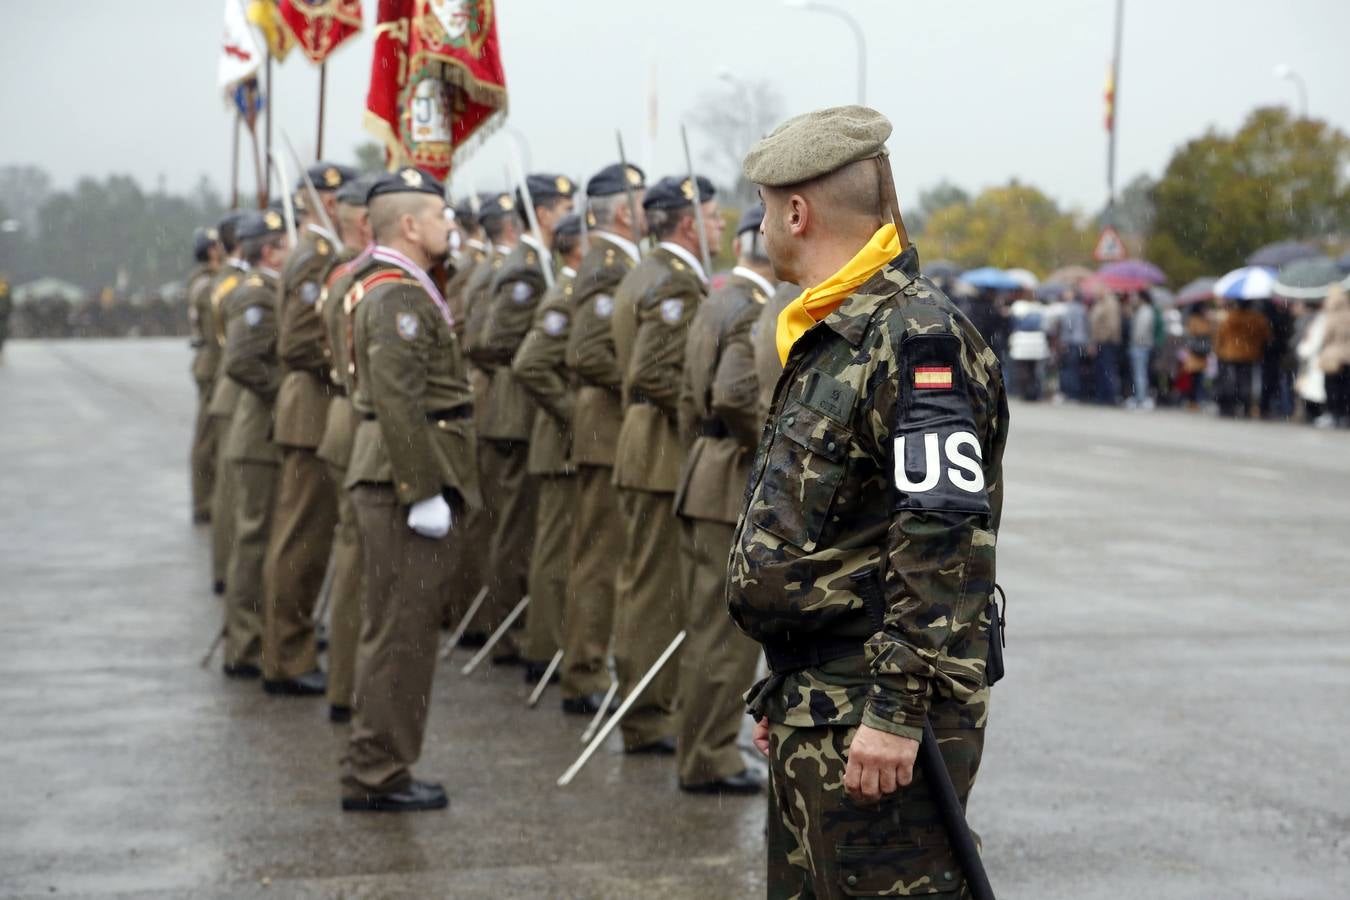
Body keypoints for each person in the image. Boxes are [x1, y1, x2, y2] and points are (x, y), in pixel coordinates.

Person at [732, 106, 1008, 897]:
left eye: (762, 208)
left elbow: (942, 533)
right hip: (817, 702)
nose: (758, 228)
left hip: (879, 718)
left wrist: (892, 713)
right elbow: (829, 531)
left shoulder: (916, 338)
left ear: (797, 211)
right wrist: (781, 684)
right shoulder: (832, 333)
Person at [341, 167, 478, 812]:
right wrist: (420, 490)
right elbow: (396, 399)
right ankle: (377, 773)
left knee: (400, 628)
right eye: (440, 215)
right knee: (401, 632)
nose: (449, 225)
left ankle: (381, 763)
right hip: (405, 477)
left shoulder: (392, 284)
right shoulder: (395, 294)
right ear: (410, 225)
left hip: (403, 468)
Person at [610, 174, 720, 755]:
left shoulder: (652, 271)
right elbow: (654, 373)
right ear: (687, 223)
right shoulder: (673, 282)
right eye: (713, 215)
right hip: (659, 447)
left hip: (646, 443)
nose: (722, 226)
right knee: (655, 592)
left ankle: (650, 706)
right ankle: (648, 716)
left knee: (649, 587)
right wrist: (703, 409)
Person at [672, 205, 772, 794]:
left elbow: (693, 396)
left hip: (706, 473)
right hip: (728, 480)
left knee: (705, 629)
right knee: (724, 636)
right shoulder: (751, 307)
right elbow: (733, 394)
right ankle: (710, 757)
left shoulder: (718, 299)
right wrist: (773, 445)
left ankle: (701, 748)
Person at [262, 163, 359, 696]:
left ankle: (289, 647)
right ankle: (289, 657)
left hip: (314, 406)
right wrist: (346, 361)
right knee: (300, 542)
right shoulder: (317, 256)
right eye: (337, 196)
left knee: (305, 540)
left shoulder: (319, 253)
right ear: (320, 201)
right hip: (312, 406)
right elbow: (298, 342)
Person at [478, 175, 576, 674]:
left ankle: (521, 629)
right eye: (562, 205)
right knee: (515, 532)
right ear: (540, 213)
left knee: (528, 531)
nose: (569, 212)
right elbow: (494, 339)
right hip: (517, 410)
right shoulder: (524, 266)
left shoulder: (538, 261)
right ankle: (512, 636)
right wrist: (540, 358)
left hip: (527, 405)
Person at [559, 162, 646, 715]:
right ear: (620, 212)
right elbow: (586, 352)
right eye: (638, 204)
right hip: (604, 426)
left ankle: (592, 663)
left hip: (611, 427)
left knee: (610, 557)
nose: (645, 214)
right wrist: (641, 382)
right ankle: (584, 672)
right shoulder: (606, 265)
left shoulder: (620, 262)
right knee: (598, 558)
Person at [511, 212, 583, 685]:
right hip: (560, 442)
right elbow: (530, 364)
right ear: (577, 250)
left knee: (565, 549)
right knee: (556, 552)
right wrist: (578, 412)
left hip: (564, 444)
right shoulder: (568, 294)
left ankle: (551, 643)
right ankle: (543, 649)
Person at [315, 174, 377, 722]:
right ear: (365, 222)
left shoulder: (343, 274)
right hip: (358, 421)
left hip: (345, 416)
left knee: (356, 559)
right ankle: (349, 689)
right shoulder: (355, 278)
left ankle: (349, 683)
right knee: (358, 563)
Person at [219, 209, 291, 678]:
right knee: (254, 541)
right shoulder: (257, 295)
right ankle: (244, 647)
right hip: (258, 435)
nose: (292, 253)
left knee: (266, 541)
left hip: (266, 434)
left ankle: (260, 634)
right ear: (268, 251)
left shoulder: (270, 291)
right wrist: (287, 391)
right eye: (285, 245)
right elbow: (242, 361)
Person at [204, 212, 250, 596]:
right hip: (237, 393)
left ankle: (226, 572)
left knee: (229, 492)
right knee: (233, 494)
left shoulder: (229, 280)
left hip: (228, 390)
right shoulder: (236, 284)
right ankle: (229, 575)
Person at [186, 227, 223, 524]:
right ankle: (204, 503)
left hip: (207, 363)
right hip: (212, 365)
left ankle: (206, 500)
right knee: (208, 439)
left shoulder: (205, 280)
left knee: (209, 437)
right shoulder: (208, 285)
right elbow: (216, 336)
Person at [1214, 298, 1272, 417]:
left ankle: (1229, 406)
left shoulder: (1230, 317)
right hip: (1250, 353)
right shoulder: (1258, 319)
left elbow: (1220, 335)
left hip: (1230, 353)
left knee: (1230, 380)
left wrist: (1218, 349)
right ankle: (1245, 406)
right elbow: (1266, 336)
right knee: (1246, 380)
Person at [1317, 285, 1350, 427]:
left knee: (1331, 387)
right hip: (1348, 356)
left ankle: (1333, 414)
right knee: (1346, 387)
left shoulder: (1331, 316)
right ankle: (1345, 415)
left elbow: (1326, 337)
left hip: (1333, 356)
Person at [1056, 290, 1090, 401]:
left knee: (1070, 368)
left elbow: (1068, 326)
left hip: (1072, 342)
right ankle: (1079, 393)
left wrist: (1064, 341)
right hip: (1081, 341)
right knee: (1078, 368)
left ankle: (1071, 393)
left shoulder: (1070, 309)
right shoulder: (1082, 309)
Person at [1089, 291, 1123, 405]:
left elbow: (1112, 325)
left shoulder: (1110, 304)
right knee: (1102, 369)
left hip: (1106, 342)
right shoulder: (1101, 303)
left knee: (1107, 369)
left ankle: (1109, 395)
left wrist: (1104, 338)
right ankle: (1103, 395)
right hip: (1101, 341)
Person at [1180, 305, 1214, 409]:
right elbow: (1208, 332)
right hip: (1199, 352)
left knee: (1195, 379)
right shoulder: (1203, 320)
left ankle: (1193, 400)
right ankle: (1197, 400)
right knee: (1198, 379)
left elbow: (1189, 334)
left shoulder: (1192, 320)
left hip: (1195, 353)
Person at [1127, 292, 1156, 409]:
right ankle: (1140, 397)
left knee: (1140, 374)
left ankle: (1141, 398)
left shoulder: (1145, 311)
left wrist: (1136, 342)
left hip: (1140, 346)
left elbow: (1141, 331)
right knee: (1140, 373)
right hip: (1142, 345)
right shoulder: (1144, 311)